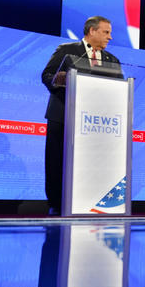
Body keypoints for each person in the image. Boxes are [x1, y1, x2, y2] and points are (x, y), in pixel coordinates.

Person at [41, 16, 122, 215]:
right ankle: (56, 204)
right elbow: (47, 76)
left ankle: (92, 202)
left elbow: (120, 89)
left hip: (96, 122)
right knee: (57, 161)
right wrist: (59, 79)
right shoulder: (66, 50)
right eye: (106, 32)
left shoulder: (112, 60)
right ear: (92, 31)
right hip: (64, 117)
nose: (110, 37)